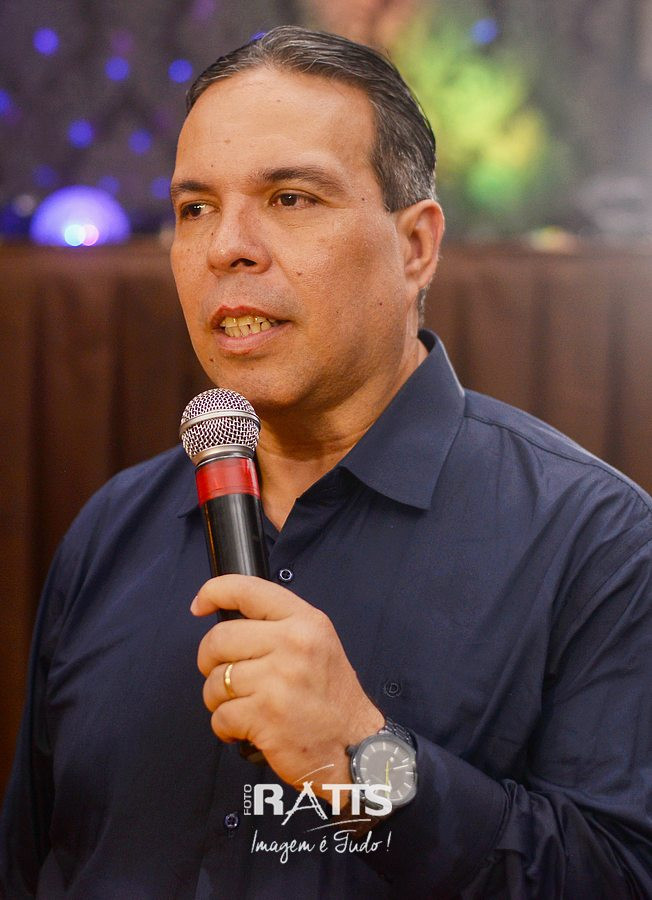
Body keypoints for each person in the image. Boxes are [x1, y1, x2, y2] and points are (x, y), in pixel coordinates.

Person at [1, 25, 651, 899]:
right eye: (195, 208)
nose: (227, 246)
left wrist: (362, 761)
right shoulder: (111, 529)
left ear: (416, 247)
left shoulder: (596, 541)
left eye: (291, 198)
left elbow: (617, 875)